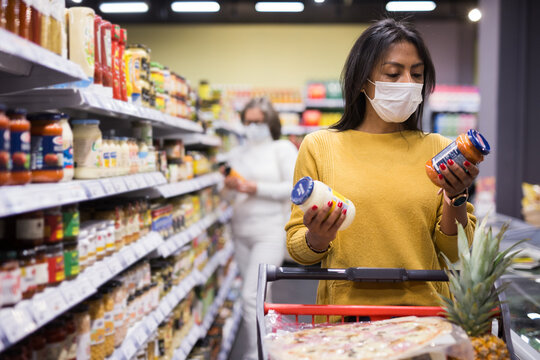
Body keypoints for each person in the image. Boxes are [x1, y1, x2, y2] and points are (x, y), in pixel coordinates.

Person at [286, 18, 478, 309]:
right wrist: (317, 238)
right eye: (393, 73)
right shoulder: (320, 146)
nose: (408, 84)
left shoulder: (439, 150)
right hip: (346, 317)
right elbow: (298, 249)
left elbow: (457, 254)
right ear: (363, 80)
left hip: (425, 316)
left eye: (417, 74)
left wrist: (456, 197)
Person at [224, 97, 298, 360]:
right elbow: (226, 193)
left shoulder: (283, 149)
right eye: (248, 121)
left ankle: (257, 353)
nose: (253, 126)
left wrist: (256, 188)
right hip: (241, 230)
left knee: (250, 296)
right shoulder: (238, 152)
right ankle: (270, 345)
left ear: (270, 122)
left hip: (270, 231)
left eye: (259, 121)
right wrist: (228, 186)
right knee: (261, 294)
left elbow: (293, 188)